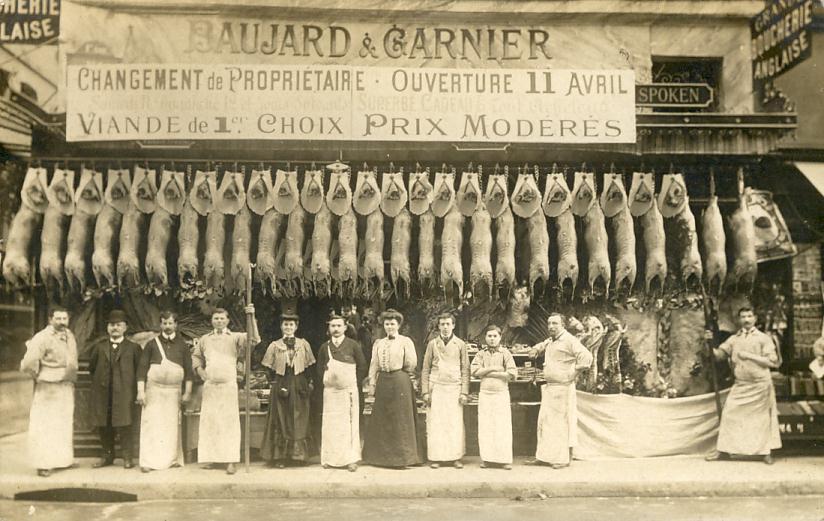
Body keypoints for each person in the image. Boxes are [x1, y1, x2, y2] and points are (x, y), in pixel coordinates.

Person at [705, 307, 781, 464]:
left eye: (749, 316)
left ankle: (765, 452)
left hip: (760, 385)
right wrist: (709, 342)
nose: (746, 319)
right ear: (738, 320)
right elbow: (718, 356)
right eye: (743, 317)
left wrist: (749, 356)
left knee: (761, 420)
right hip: (741, 385)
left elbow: (772, 362)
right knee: (729, 414)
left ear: (755, 318)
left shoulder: (763, 338)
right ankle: (724, 450)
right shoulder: (734, 339)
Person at [192, 306, 259, 475]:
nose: (219, 321)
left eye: (222, 318)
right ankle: (211, 458)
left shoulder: (236, 337)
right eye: (216, 318)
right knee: (211, 422)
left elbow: (254, 340)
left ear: (228, 320)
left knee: (229, 423)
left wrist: (251, 317)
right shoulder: (205, 339)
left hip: (228, 386)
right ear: (212, 320)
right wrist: (200, 371)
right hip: (210, 387)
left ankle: (230, 460)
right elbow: (196, 357)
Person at [529, 313, 593, 468]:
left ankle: (561, 459)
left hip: (563, 388)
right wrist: (537, 349)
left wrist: (572, 371)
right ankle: (544, 457)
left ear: (563, 325)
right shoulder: (552, 339)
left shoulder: (570, 340)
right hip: (550, 387)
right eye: (549, 323)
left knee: (560, 425)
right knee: (545, 422)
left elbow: (587, 358)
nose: (551, 326)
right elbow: (544, 344)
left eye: (555, 324)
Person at [20, 306, 78, 477]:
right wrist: (39, 375)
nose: (61, 322)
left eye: (64, 319)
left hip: (65, 384)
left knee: (63, 423)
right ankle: (43, 464)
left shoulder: (70, 335)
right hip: (48, 386)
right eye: (58, 319)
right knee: (45, 425)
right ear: (50, 319)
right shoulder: (42, 337)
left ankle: (62, 460)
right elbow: (29, 361)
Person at [362, 309, 424, 468]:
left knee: (401, 419)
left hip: (399, 381)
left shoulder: (405, 341)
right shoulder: (378, 343)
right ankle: (382, 458)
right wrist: (372, 384)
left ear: (398, 325)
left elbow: (411, 363)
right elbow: (373, 365)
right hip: (383, 381)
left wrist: (403, 375)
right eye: (387, 324)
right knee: (383, 419)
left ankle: (404, 458)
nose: (389, 327)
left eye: (392, 324)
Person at [137, 310, 193, 473]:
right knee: (151, 425)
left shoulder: (182, 345)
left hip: (173, 393)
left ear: (176, 324)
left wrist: (187, 392)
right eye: (164, 323)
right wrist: (141, 392)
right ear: (160, 324)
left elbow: (189, 371)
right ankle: (148, 461)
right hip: (153, 391)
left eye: (170, 323)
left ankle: (170, 459)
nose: (167, 326)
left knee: (171, 426)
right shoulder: (152, 344)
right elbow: (141, 370)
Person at [260, 312, 316, 468]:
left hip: (299, 382)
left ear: (296, 327)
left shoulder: (304, 344)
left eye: (291, 325)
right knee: (281, 418)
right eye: (285, 324)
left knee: (299, 418)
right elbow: (267, 368)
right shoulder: (274, 345)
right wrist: (275, 384)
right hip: (281, 382)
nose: (288, 327)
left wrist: (309, 384)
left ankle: (299, 456)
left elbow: (310, 366)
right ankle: (280, 457)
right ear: (281, 327)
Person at [88, 309, 141, 469]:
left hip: (124, 393)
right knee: (104, 424)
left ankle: (127, 457)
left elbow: (139, 370)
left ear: (125, 327)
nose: (115, 328)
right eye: (111, 325)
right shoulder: (99, 347)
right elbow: (92, 368)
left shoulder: (134, 348)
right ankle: (107, 456)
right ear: (107, 328)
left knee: (125, 424)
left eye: (118, 325)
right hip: (103, 393)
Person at [316, 314, 367, 472]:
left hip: (349, 391)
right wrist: (330, 380)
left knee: (349, 425)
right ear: (328, 328)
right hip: (331, 393)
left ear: (345, 327)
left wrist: (350, 382)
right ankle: (329, 458)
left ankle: (351, 459)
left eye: (339, 326)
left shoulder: (353, 345)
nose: (336, 329)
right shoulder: (325, 347)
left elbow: (362, 366)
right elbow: (319, 369)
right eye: (333, 326)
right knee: (331, 424)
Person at [421, 312, 470, 469]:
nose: (445, 327)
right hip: (437, 387)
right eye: (442, 324)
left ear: (453, 325)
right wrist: (425, 392)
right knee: (437, 423)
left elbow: (465, 369)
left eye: (448, 324)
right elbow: (425, 369)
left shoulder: (460, 344)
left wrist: (464, 392)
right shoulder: (432, 344)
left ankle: (455, 457)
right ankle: (437, 457)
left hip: (454, 388)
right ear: (439, 326)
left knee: (454, 423)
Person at [471, 324, 517, 469]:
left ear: (500, 337)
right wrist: (494, 368)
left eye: (495, 336)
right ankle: (487, 459)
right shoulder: (481, 354)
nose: (492, 339)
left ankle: (503, 460)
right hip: (485, 394)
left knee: (502, 426)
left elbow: (511, 374)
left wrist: (487, 372)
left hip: (501, 395)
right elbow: (474, 371)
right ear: (485, 338)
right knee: (486, 426)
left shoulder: (505, 353)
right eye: (489, 336)